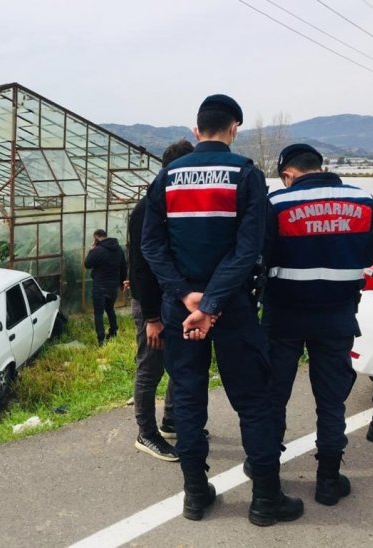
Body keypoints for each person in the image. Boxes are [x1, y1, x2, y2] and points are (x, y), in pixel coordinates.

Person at [141, 94, 303, 526]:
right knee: (254, 400)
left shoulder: (167, 177)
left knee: (189, 400)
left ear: (197, 131)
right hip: (231, 306)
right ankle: (266, 500)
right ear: (234, 128)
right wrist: (212, 303)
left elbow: (151, 245)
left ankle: (195, 495)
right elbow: (249, 248)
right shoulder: (246, 175)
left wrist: (185, 297)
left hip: (182, 310)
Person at [263, 143, 373, 505]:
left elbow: (262, 257)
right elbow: (370, 255)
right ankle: (328, 480)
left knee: (273, 397)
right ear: (320, 166)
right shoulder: (365, 201)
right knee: (331, 402)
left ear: (288, 174)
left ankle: (265, 471)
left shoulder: (277, 204)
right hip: (337, 316)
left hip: (283, 317)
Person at [126, 139, 194, 462]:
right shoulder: (147, 208)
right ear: (174, 169)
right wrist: (152, 318)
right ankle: (146, 433)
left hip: (169, 299)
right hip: (150, 303)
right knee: (150, 367)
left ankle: (170, 420)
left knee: (175, 361)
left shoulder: (173, 201)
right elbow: (140, 267)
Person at [84, 229, 127, 346]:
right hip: (113, 286)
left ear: (97, 237)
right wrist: (122, 283)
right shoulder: (118, 249)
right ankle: (113, 331)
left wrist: (91, 250)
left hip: (100, 286)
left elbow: (87, 264)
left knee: (98, 313)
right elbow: (123, 266)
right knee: (110, 308)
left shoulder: (98, 250)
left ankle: (101, 340)